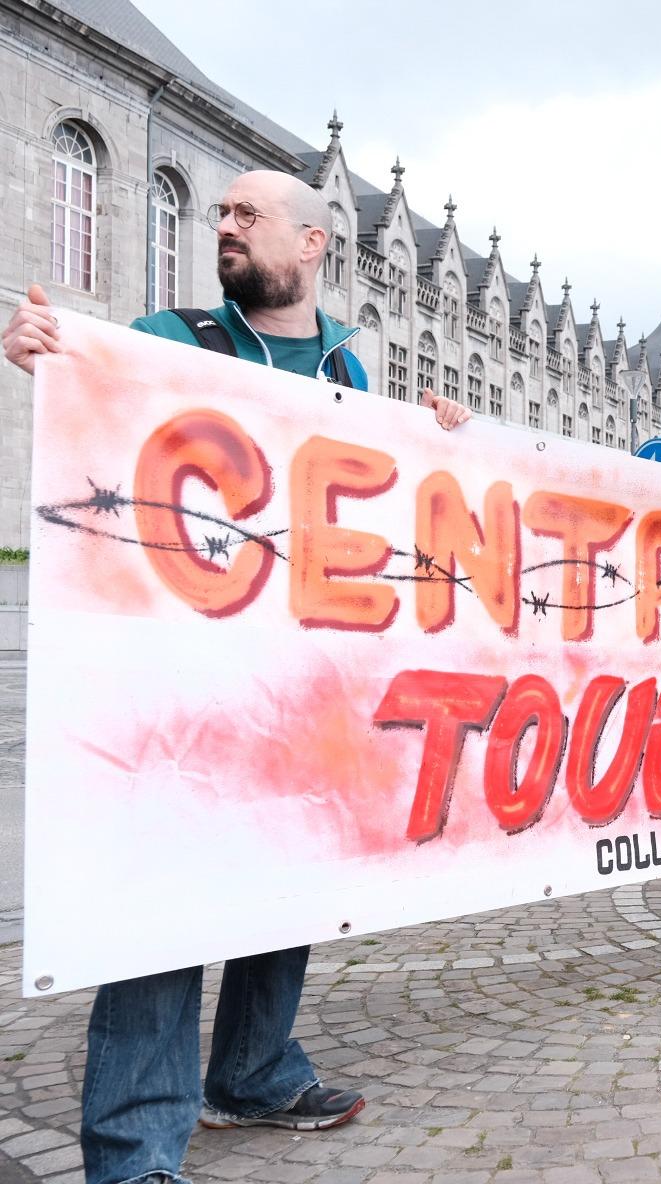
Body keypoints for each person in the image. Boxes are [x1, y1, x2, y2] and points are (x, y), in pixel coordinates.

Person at [4, 168, 472, 1184]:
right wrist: (44, 354)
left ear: (311, 244)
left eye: (245, 215)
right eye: (217, 211)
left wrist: (447, 441)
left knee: (287, 878)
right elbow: (91, 407)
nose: (223, 226)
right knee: (164, 899)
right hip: (177, 676)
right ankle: (134, 1150)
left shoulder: (355, 362)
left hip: (311, 677)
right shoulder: (170, 337)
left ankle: (253, 1070)